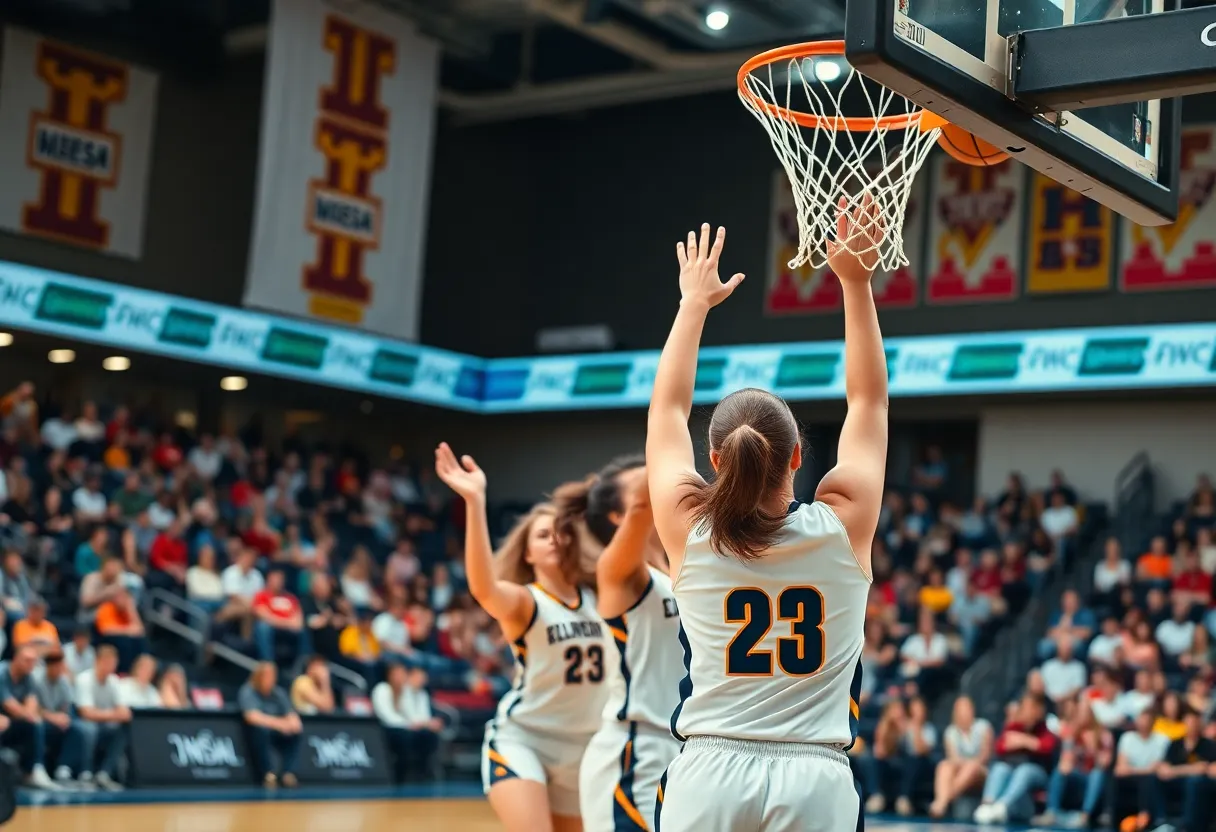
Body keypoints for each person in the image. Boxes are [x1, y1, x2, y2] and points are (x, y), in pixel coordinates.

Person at [645, 218, 886, 832]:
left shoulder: (687, 529)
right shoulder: (843, 524)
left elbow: (667, 409)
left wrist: (692, 304)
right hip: (816, 778)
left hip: (709, 773)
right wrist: (854, 284)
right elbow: (869, 404)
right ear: (800, 457)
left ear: (715, 461)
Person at [435, 443, 607, 832]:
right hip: (524, 739)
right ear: (527, 553)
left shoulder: (602, 597)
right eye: (543, 534)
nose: (554, 540)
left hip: (586, 748)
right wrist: (476, 501)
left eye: (561, 533)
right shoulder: (525, 601)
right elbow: (483, 587)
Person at [560, 457, 682, 832]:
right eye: (644, 484)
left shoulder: (681, 571)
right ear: (618, 516)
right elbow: (648, 501)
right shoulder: (617, 573)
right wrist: (666, 423)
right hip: (635, 749)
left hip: (684, 750)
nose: (660, 487)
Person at [973, 693, 1058, 824]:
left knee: (1025, 770)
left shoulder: (1046, 729)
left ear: (1039, 710)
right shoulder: (1014, 727)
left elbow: (1047, 746)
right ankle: (987, 804)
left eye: (1031, 708)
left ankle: (1002, 806)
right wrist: (1027, 742)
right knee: (1000, 768)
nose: (1027, 711)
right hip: (1013, 771)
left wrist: (1024, 741)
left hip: (1039, 774)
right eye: (1024, 707)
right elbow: (1001, 746)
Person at [372, 663, 443, 782]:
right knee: (406, 736)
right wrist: (411, 724)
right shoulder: (381, 689)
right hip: (387, 728)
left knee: (428, 735)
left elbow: (413, 715)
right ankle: (400, 774)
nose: (400, 677)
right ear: (389, 675)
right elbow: (387, 716)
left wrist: (427, 723)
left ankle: (423, 772)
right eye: (397, 674)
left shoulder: (406, 691)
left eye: (402, 673)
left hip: (407, 727)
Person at [73, 644, 131, 791]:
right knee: (89, 728)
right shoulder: (84, 679)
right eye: (107, 661)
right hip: (81, 723)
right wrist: (112, 714)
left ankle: (104, 774)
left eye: (113, 662)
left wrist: (102, 714)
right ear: (97, 661)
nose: (110, 666)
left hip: (103, 725)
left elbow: (125, 713)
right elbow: (86, 713)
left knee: (124, 729)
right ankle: (85, 774)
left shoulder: (114, 681)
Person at [0, 646, 58, 789]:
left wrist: (27, 714)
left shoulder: (28, 677)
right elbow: (9, 705)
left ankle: (33, 771)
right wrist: (26, 713)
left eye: (33, 661)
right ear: (16, 659)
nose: (30, 664)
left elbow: (31, 706)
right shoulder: (2, 673)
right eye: (27, 660)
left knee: (35, 723)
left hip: (11, 722)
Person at [239, 662, 302, 788]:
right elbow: (252, 717)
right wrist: (280, 724)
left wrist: (289, 725)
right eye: (267, 676)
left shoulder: (278, 693)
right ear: (259, 676)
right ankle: (268, 774)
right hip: (256, 732)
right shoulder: (248, 691)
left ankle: (287, 773)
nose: (271, 680)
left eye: (273, 676)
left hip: (277, 730)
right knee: (260, 731)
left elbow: (296, 722)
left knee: (295, 734)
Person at [1150, 707, 1215, 832]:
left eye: (1195, 722)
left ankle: (1187, 826)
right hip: (1178, 781)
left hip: (1200, 784)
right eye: (1189, 722)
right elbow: (1163, 768)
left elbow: (1203, 769)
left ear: (1199, 724)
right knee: (1153, 778)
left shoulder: (1208, 745)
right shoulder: (1175, 744)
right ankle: (1160, 820)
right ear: (1183, 723)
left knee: (1194, 781)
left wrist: (1174, 771)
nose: (1192, 726)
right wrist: (1189, 769)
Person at [929, 695, 993, 818]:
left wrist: (967, 763)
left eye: (966, 709)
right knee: (944, 765)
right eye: (960, 710)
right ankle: (940, 804)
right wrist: (964, 763)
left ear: (972, 710)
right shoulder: (950, 731)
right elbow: (953, 758)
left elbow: (984, 756)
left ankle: (945, 799)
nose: (964, 713)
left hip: (981, 772)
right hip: (960, 771)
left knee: (972, 766)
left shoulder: (984, 726)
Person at [1108, 707, 1171, 831]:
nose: (1143, 723)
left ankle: (1153, 820)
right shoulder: (1127, 737)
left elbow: (1157, 768)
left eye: (1147, 720)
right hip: (1130, 778)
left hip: (1152, 779)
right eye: (1141, 719)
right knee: (1113, 778)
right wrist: (1143, 770)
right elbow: (1120, 769)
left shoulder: (1162, 740)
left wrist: (1133, 769)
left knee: (1148, 779)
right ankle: (1111, 820)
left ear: (1153, 722)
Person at [36, 651, 88, 787]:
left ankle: (64, 768)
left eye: (60, 666)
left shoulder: (63, 682)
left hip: (57, 722)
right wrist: (53, 717)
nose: (59, 670)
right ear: (48, 666)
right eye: (55, 666)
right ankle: (38, 768)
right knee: (37, 727)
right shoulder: (37, 680)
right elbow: (34, 709)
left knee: (78, 729)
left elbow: (66, 707)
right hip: (42, 721)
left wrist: (63, 717)